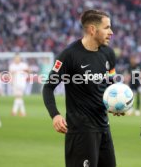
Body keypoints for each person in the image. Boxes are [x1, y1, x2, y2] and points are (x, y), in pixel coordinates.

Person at [42, 9, 120, 167]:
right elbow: (48, 88)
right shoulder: (69, 55)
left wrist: (115, 103)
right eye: (106, 28)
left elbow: (111, 85)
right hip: (80, 132)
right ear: (92, 29)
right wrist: (55, 115)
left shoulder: (109, 54)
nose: (111, 32)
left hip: (104, 129)